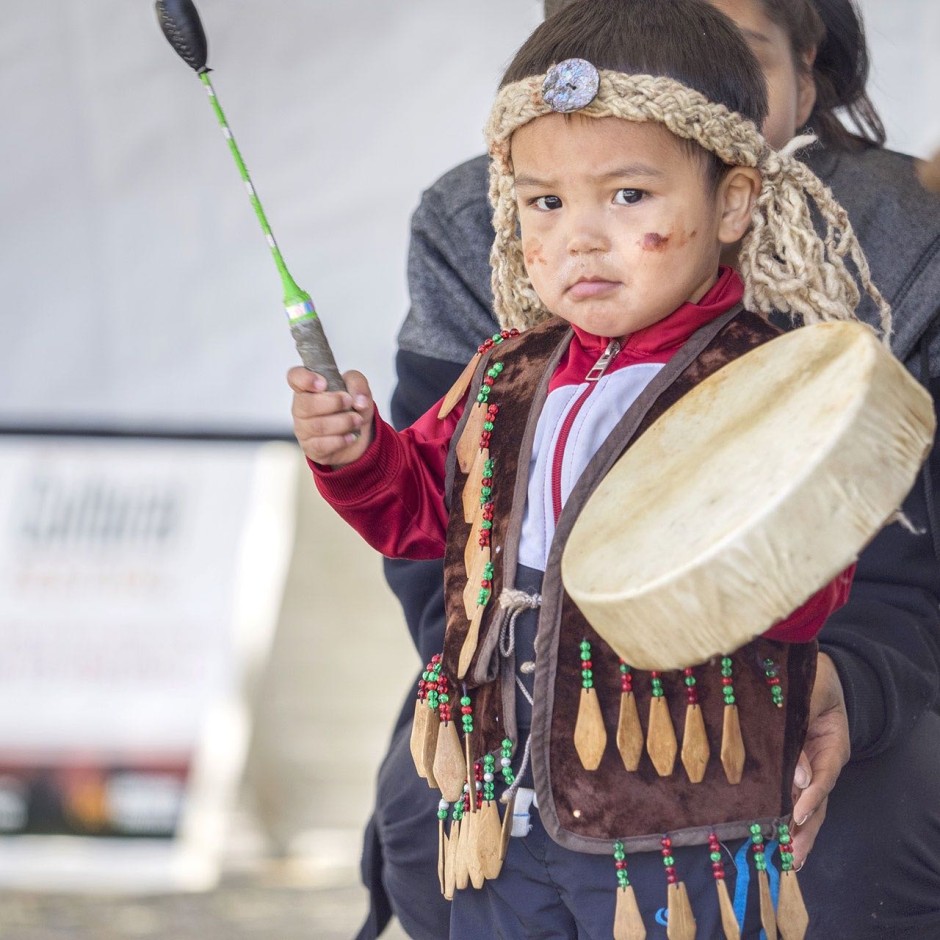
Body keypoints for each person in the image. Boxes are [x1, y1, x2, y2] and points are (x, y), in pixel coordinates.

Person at [289, 1, 914, 936]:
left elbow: (799, 592)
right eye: (547, 202)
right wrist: (357, 454)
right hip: (503, 802)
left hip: (679, 822)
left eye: (629, 197)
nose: (580, 237)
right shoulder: (505, 370)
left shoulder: (761, 379)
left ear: (732, 202)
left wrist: (771, 554)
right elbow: (427, 518)